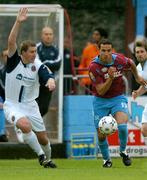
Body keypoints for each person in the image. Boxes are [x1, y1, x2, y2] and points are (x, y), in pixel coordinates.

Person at [3, 7, 57, 168]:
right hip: (12, 105)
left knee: (43, 138)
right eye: (32, 52)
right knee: (25, 125)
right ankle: (40, 155)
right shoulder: (14, 62)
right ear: (23, 53)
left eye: (35, 51)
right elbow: (11, 42)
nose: (35, 54)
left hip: (31, 106)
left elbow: (47, 74)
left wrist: (50, 81)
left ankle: (47, 158)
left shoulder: (37, 64)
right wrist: (18, 22)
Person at [88, 38, 146, 168]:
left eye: (109, 50)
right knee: (101, 135)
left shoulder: (119, 60)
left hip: (117, 98)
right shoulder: (93, 67)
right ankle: (106, 160)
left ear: (112, 50)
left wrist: (137, 77)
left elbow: (131, 63)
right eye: (103, 50)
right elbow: (101, 91)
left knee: (122, 126)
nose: (107, 53)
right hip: (100, 101)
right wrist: (111, 78)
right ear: (99, 50)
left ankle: (123, 151)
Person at [36, 26, 61, 116]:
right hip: (36, 82)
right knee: (33, 106)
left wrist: (45, 62)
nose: (48, 36)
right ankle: (30, 127)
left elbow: (58, 64)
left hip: (49, 83)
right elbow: (37, 64)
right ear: (42, 35)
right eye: (46, 34)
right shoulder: (37, 48)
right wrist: (48, 64)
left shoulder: (55, 49)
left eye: (50, 34)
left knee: (44, 108)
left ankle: (34, 126)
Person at [78, 28, 109, 93]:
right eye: (94, 34)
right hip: (89, 82)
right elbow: (82, 65)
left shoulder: (109, 49)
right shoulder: (87, 49)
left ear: (102, 36)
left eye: (97, 34)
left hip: (103, 82)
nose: (94, 36)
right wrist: (83, 76)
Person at [132, 41, 147, 146]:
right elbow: (146, 85)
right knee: (144, 129)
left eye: (142, 51)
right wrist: (138, 92)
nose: (139, 54)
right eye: (137, 52)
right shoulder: (138, 68)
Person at [0, 50, 8, 142]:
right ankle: (1, 134)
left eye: (9, 55)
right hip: (4, 99)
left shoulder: (20, 69)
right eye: (5, 56)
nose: (7, 57)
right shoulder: (1, 71)